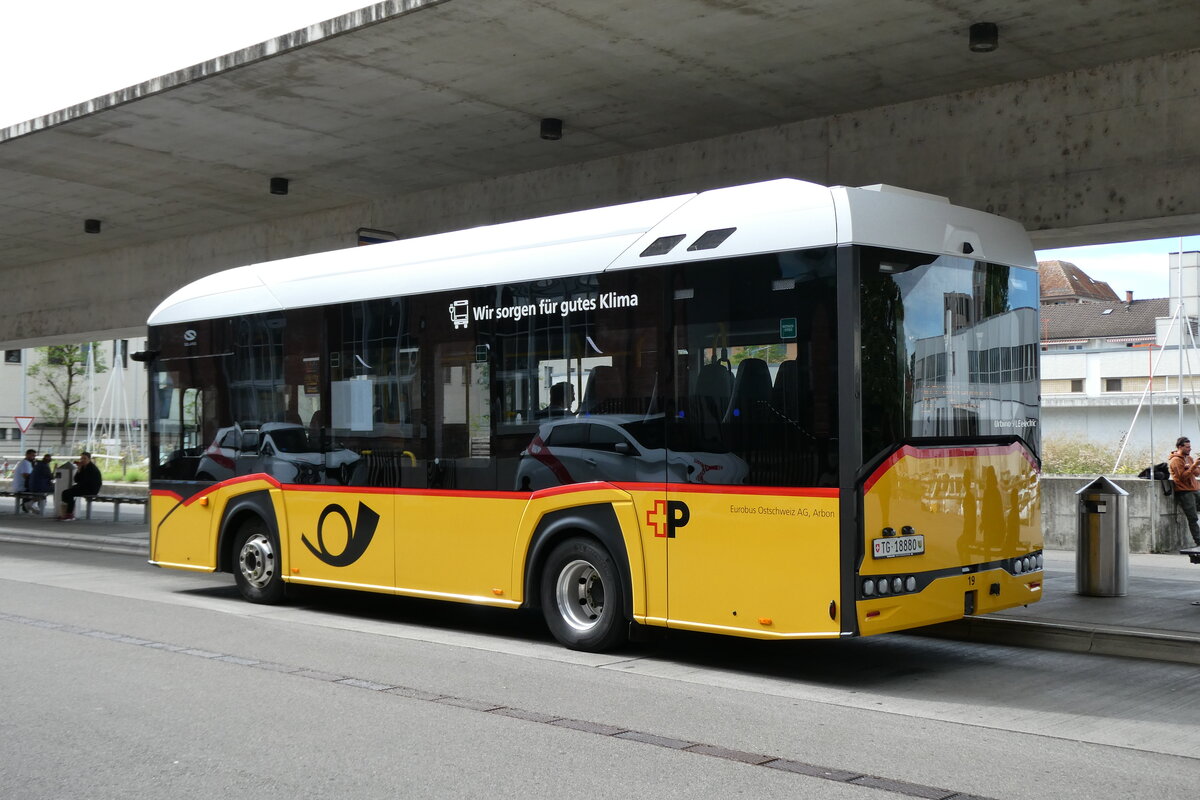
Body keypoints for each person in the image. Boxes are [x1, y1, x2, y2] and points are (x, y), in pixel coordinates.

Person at [1168, 436, 1200, 547]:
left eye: (1190, 447)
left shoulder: (1189, 458)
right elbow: (1182, 477)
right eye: (1187, 447)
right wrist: (1193, 466)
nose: (1190, 449)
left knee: (1194, 517)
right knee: (1193, 518)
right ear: (1180, 447)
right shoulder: (1175, 460)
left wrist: (1192, 466)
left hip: (1195, 489)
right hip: (1185, 491)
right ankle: (1198, 541)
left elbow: (1196, 473)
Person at [59, 452, 102, 522]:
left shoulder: (91, 468)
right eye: (81, 458)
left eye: (84, 458)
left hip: (91, 489)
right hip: (84, 487)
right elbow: (76, 480)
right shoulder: (83, 467)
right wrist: (78, 470)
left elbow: (85, 481)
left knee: (68, 493)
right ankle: (68, 512)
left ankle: (69, 514)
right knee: (65, 493)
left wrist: (76, 487)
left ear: (89, 459)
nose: (82, 460)